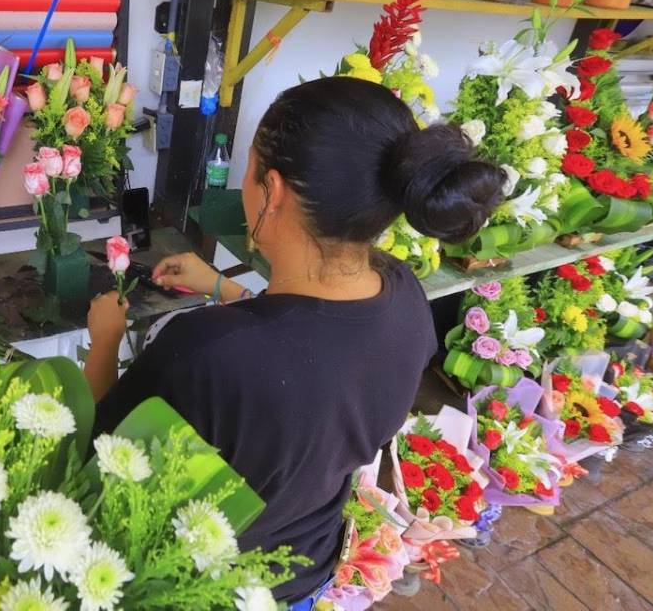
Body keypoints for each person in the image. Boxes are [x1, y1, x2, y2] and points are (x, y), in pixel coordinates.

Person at [84, 77, 506, 607]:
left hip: (210, 587)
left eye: (250, 167)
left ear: (274, 190)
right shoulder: (407, 299)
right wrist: (223, 287)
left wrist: (105, 341)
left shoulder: (204, 353)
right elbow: (315, 353)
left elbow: (102, 452)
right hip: (306, 567)